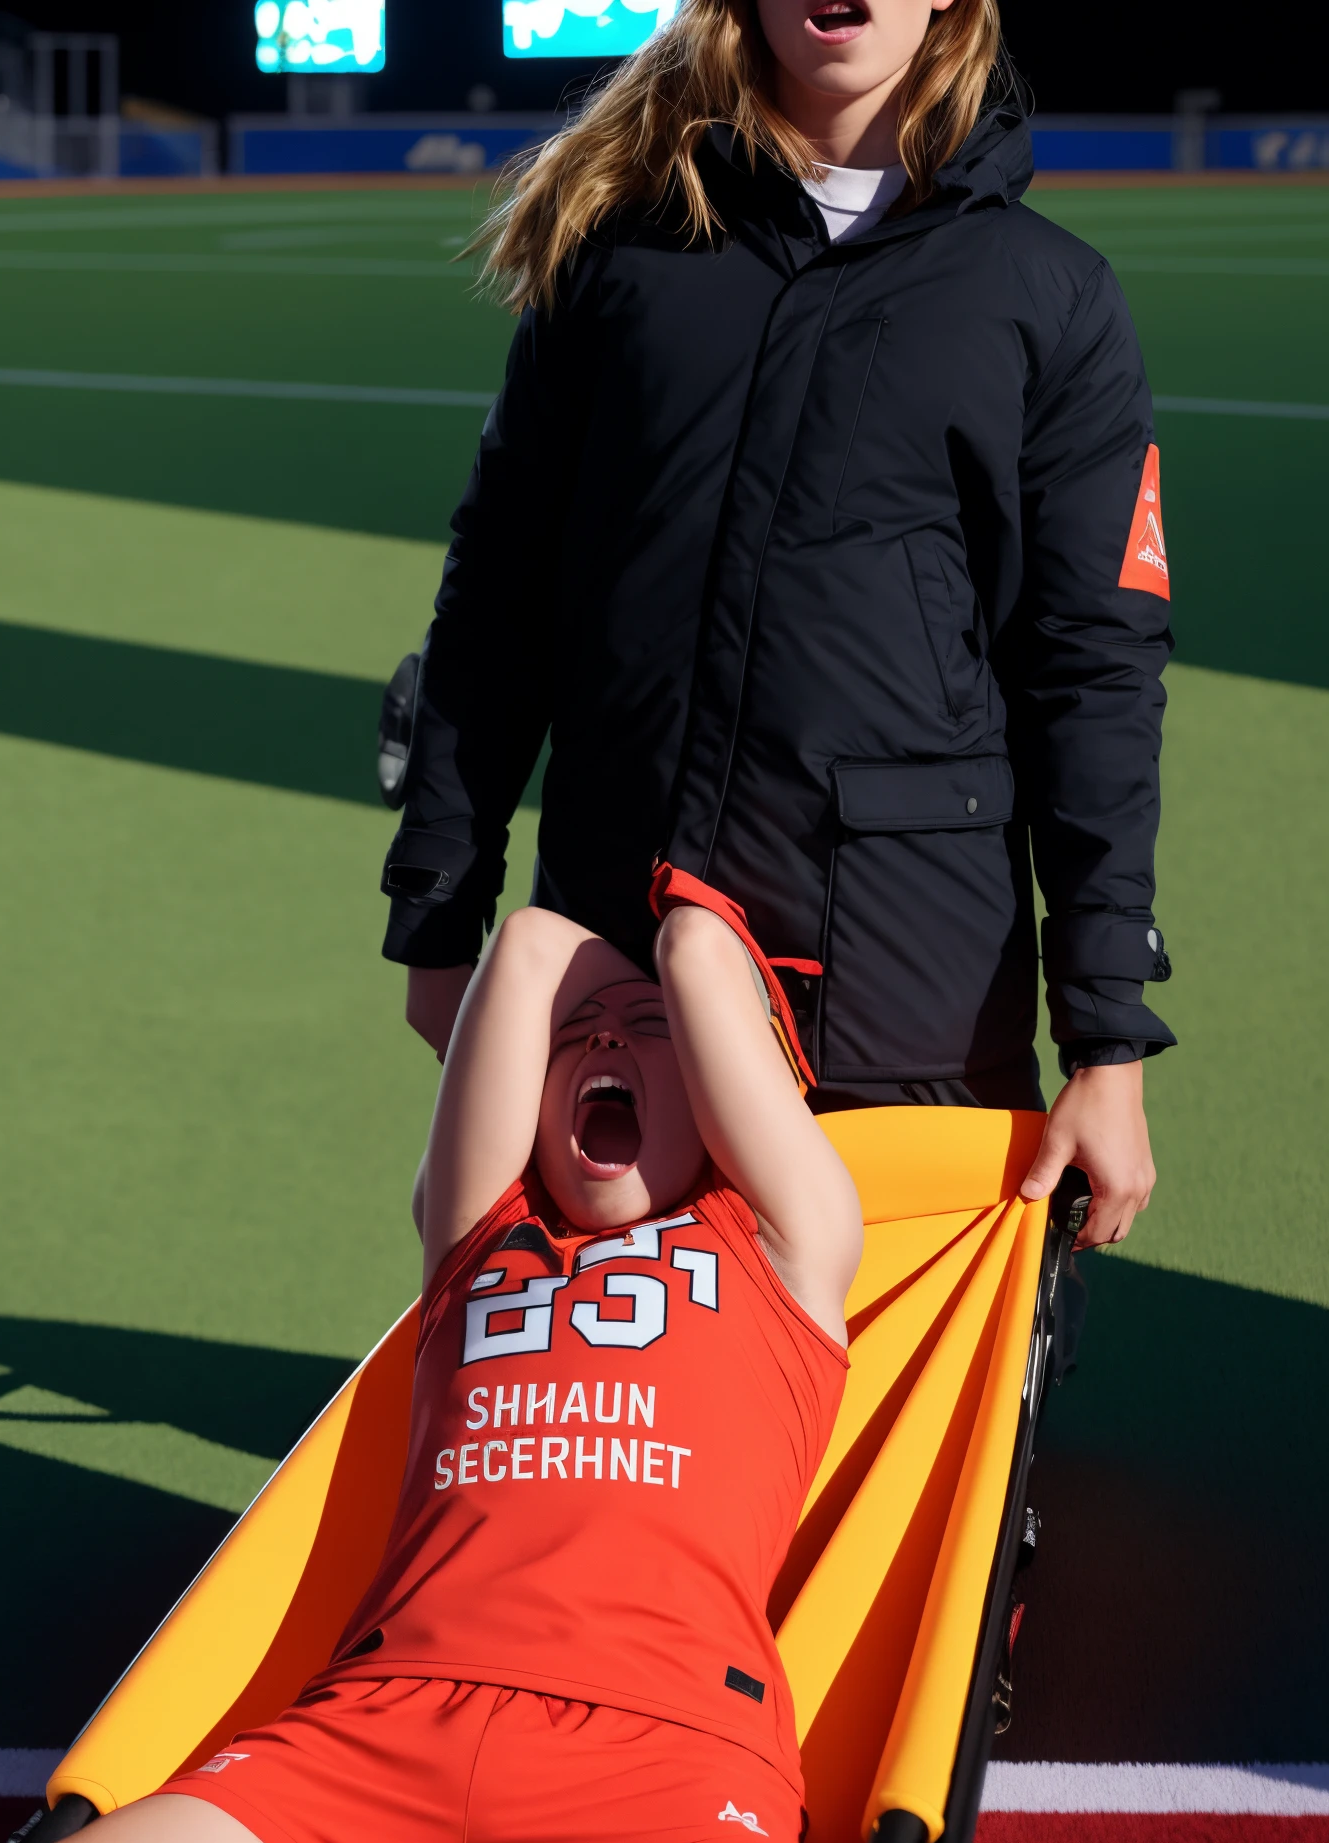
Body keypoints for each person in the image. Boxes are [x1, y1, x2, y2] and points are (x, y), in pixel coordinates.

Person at [383, 0, 1176, 1251]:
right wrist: (439, 903)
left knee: (881, 1412)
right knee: (610, 1390)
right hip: (620, 942)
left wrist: (1107, 1034)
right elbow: (496, 595)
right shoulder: (618, 258)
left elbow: (1093, 675)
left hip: (905, 974)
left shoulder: (1049, 296)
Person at [8, 884, 864, 1843]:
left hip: (661, 1752)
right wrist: (617, 1007)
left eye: (648, 1031)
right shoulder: (478, 1238)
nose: (601, 1047)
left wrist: (686, 963)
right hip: (374, 1728)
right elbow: (532, 944)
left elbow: (700, 949)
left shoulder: (783, 1243)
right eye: (577, 1037)